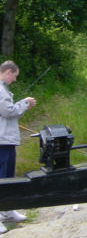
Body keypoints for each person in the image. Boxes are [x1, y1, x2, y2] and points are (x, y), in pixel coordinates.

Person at [0, 60, 36, 234]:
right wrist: (25, 103)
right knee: (1, 178)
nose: (15, 79)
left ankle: (7, 211)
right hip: (1, 141)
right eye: (15, 75)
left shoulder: (4, 89)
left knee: (8, 177)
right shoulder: (0, 90)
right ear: (8, 72)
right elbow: (8, 111)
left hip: (7, 140)